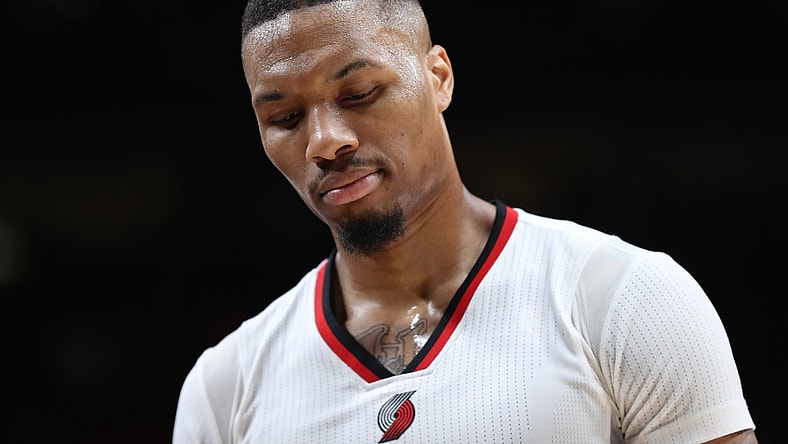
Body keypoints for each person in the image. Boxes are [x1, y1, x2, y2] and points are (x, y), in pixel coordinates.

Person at [173, 0, 758, 442]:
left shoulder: (627, 299)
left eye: (359, 93)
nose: (325, 142)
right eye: (286, 117)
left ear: (439, 77)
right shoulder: (224, 388)